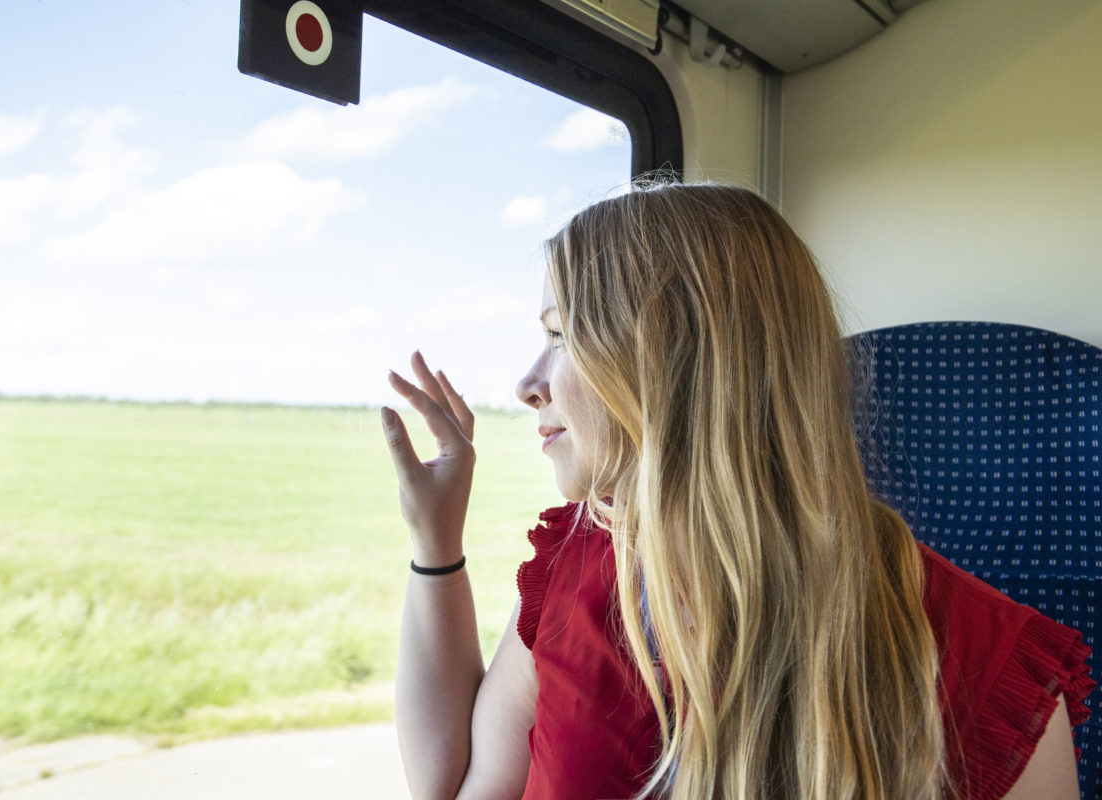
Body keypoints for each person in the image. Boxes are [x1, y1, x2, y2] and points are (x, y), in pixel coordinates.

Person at [380, 182, 1094, 799]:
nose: (528, 384)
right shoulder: (577, 566)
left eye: (563, 335)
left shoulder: (985, 660)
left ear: (675, 363)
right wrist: (435, 541)